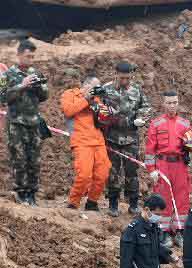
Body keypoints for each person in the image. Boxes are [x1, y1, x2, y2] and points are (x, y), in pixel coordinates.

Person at [0, 40, 48, 207]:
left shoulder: (36, 73)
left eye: (33, 56)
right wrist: (22, 85)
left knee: (34, 160)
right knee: (19, 159)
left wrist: (38, 86)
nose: (31, 60)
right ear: (19, 55)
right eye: (28, 56)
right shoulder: (7, 75)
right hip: (16, 124)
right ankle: (21, 192)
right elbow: (3, 97)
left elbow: (44, 96)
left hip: (34, 124)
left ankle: (32, 193)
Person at [102, 61, 151, 216]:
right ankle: (113, 204)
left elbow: (145, 107)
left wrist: (141, 118)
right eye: (122, 78)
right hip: (112, 138)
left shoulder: (136, 90)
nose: (125, 81)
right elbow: (99, 110)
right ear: (115, 74)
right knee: (113, 172)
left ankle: (133, 203)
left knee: (132, 172)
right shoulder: (106, 90)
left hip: (131, 138)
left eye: (128, 78)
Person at [144, 91, 192, 243]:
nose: (172, 105)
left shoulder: (185, 124)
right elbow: (150, 149)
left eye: (175, 102)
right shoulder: (156, 123)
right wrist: (152, 170)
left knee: (182, 196)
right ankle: (163, 231)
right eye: (169, 102)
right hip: (163, 164)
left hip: (179, 164)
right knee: (163, 196)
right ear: (163, 104)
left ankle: (179, 230)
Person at [60, 73, 112, 212]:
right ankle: (73, 202)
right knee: (84, 175)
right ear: (87, 85)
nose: (97, 89)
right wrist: (86, 98)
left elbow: (104, 119)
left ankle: (92, 202)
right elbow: (68, 111)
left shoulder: (97, 99)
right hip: (81, 141)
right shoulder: (69, 94)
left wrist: (106, 111)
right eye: (96, 86)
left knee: (102, 174)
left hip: (98, 141)